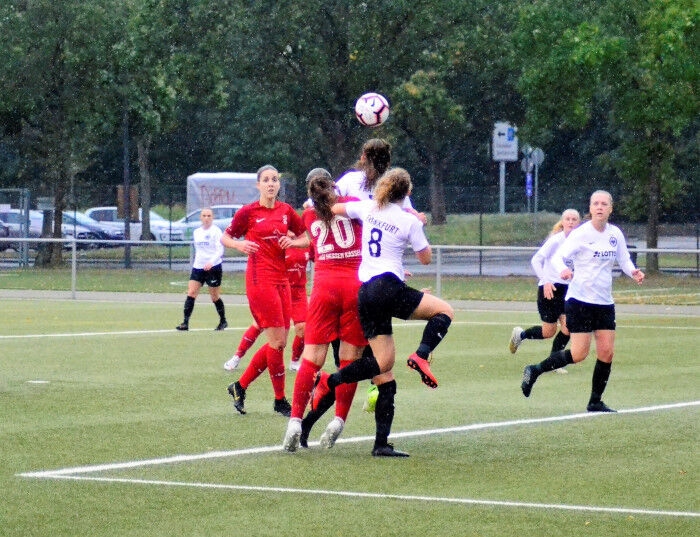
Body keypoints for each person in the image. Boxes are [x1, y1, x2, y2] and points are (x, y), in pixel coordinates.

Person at [313, 167, 454, 457]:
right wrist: (418, 223)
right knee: (444, 311)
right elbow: (426, 259)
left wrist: (320, 194)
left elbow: (334, 207)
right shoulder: (407, 220)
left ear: (384, 188)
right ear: (408, 193)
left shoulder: (367, 208)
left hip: (365, 293)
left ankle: (338, 389)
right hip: (388, 287)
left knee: (383, 363)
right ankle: (421, 355)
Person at [280, 169, 393, 452]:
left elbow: (313, 235)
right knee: (348, 359)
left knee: (311, 358)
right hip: (354, 284)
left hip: (324, 286)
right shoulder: (352, 202)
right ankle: (338, 420)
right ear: (334, 185)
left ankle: (295, 420)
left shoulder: (308, 215)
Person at [520, 190, 645, 412]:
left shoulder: (615, 233)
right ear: (590, 208)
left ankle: (595, 401)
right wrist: (563, 270)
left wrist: (633, 271)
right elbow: (559, 257)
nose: (599, 207)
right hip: (579, 301)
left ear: (610, 208)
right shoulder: (581, 233)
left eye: (604, 204)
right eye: (595, 203)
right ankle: (535, 369)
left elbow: (624, 259)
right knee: (579, 354)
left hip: (604, 303)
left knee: (607, 352)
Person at [221, 165, 306, 417]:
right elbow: (225, 237)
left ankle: (240, 386)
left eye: (275, 180)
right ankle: (279, 400)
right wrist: (239, 244)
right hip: (260, 282)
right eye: (266, 180)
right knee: (278, 342)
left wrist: (293, 241)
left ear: (279, 185)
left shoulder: (286, 211)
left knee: (278, 343)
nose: (271, 184)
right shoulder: (248, 212)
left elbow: (306, 237)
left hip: (283, 282)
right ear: (258, 185)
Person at [222, 236, 310, 372]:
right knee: (259, 325)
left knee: (303, 328)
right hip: (278, 290)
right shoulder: (277, 244)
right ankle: (237, 356)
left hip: (298, 293)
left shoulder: (304, 243)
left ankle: (294, 362)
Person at [509, 209, 582, 373]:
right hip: (549, 288)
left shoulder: (579, 243)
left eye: (574, 219)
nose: (571, 222)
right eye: (568, 219)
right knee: (548, 331)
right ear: (562, 222)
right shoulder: (556, 241)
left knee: (568, 326)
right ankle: (520, 335)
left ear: (579, 223)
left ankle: (555, 362)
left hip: (568, 290)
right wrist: (546, 280)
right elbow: (536, 260)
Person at [175, 207, 228, 331]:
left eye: (209, 216)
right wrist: (198, 263)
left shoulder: (216, 232)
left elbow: (220, 250)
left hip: (213, 267)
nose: (206, 218)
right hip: (198, 267)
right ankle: (185, 323)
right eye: (204, 216)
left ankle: (223, 321)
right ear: (200, 217)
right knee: (191, 292)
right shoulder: (197, 232)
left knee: (214, 296)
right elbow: (199, 250)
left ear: (212, 217)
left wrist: (211, 262)